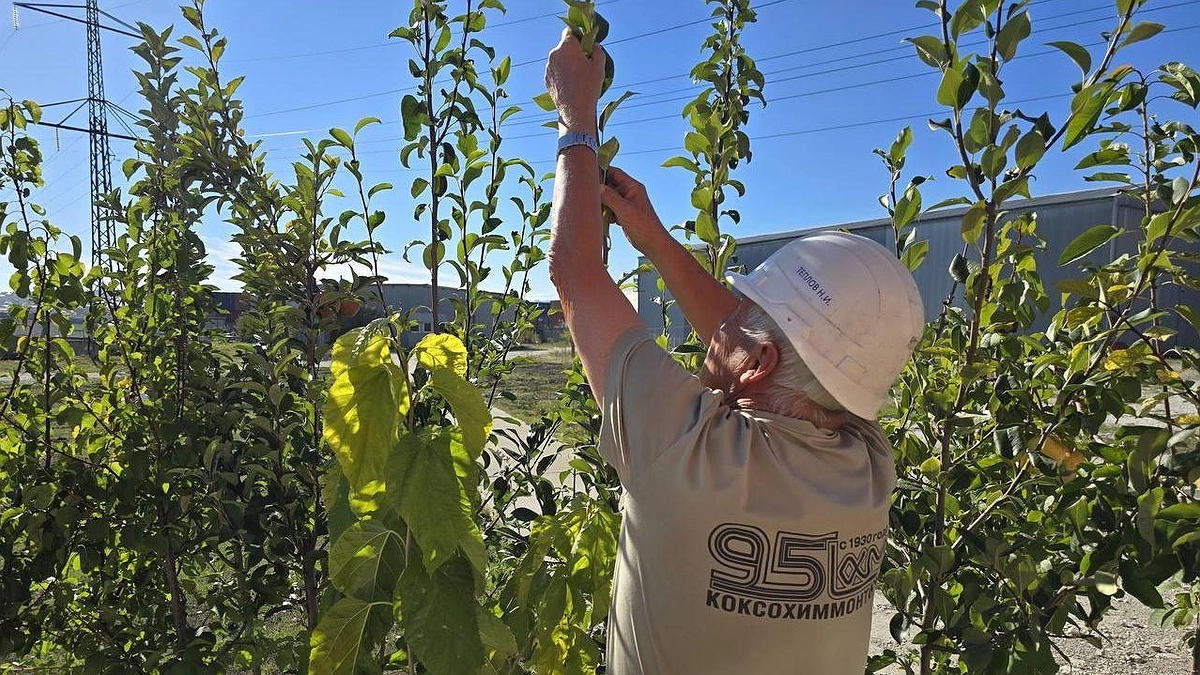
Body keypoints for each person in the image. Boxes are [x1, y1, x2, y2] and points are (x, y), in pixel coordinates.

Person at [545, 28, 925, 675]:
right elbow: (789, 353)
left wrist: (575, 116)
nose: (722, 318)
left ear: (759, 363)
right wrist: (654, 239)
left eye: (742, 312)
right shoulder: (867, 462)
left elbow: (575, 273)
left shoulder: (685, 448)